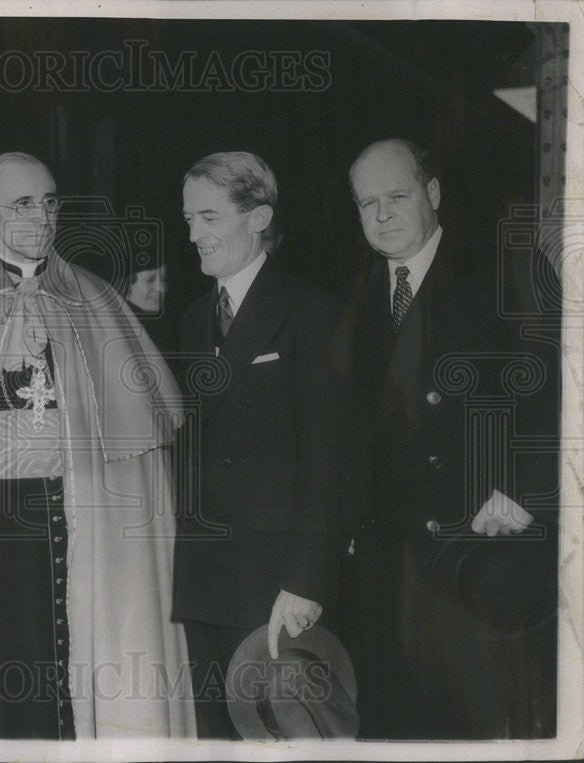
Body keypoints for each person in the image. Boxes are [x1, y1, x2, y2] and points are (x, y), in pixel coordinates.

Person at [0, 151, 195, 739]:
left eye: (50, 203)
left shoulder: (96, 300)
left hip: (85, 528)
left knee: (87, 689)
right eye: (22, 204)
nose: (41, 218)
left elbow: (134, 458)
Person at [333, 138, 559, 739]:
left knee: (477, 733)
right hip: (387, 579)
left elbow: (569, 398)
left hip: (477, 560)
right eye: (366, 203)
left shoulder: (506, 270)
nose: (381, 215)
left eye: (397, 196)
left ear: (433, 194)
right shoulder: (353, 297)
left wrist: (521, 493)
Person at [172, 151, 339, 739]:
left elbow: (328, 459)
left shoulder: (312, 310)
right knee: (215, 737)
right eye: (189, 218)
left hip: (275, 587)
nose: (193, 234)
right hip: (203, 582)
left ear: (259, 217)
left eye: (209, 217)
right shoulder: (193, 318)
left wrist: (305, 582)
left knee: (281, 736)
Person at [124, 261, 175, 354]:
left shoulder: (163, 327)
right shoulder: (120, 330)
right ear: (126, 284)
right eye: (150, 279)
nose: (161, 288)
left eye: (164, 279)